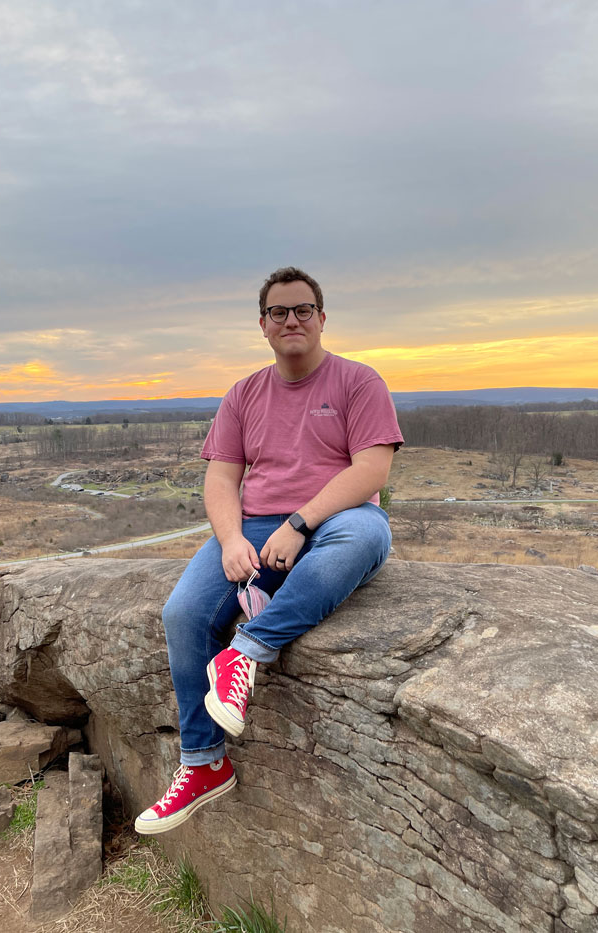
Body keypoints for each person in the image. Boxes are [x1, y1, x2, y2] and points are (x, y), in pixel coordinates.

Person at [135, 266, 403, 834]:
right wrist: (232, 540)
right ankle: (203, 763)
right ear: (263, 325)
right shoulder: (244, 394)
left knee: (365, 535)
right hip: (254, 526)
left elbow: (372, 468)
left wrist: (301, 523)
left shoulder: (359, 382)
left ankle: (247, 652)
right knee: (183, 613)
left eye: (303, 309)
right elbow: (220, 479)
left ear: (322, 318)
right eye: (279, 312)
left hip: (335, 520)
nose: (292, 320)